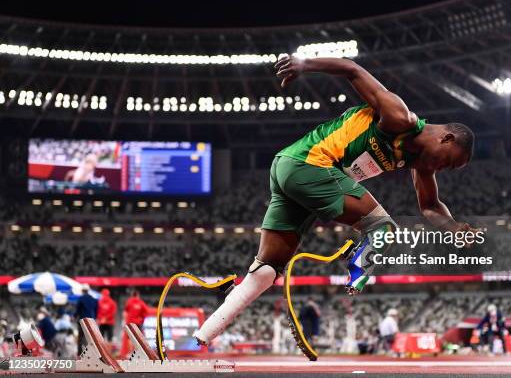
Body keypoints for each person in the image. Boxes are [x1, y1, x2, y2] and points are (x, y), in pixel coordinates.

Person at [194, 55, 477, 346]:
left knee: (266, 271)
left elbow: (429, 205)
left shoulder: (420, 164)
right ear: (447, 139)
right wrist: (303, 65)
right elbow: (351, 68)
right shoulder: (399, 117)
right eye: (449, 163)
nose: (442, 170)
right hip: (309, 165)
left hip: (288, 169)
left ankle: (203, 335)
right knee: (382, 228)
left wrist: (453, 227)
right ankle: (357, 269)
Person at [120, 289, 149, 359]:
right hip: (138, 323)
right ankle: (138, 353)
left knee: (130, 338)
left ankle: (131, 353)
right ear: (138, 295)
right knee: (138, 339)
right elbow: (146, 312)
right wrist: (141, 319)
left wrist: (124, 321)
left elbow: (124, 312)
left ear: (132, 295)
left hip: (130, 323)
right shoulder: (141, 302)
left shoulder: (129, 301)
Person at [75, 284, 99, 354]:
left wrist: (74, 316)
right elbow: (96, 310)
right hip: (91, 321)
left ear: (82, 291)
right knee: (90, 337)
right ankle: (91, 353)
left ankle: (80, 353)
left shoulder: (81, 298)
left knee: (81, 337)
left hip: (82, 320)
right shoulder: (94, 299)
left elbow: (78, 310)